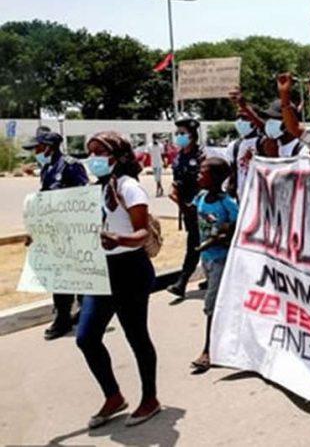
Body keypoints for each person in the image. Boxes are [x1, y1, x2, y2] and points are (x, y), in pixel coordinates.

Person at [78, 131, 160, 428]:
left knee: (136, 336)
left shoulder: (130, 188)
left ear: (117, 155)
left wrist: (120, 239)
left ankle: (150, 399)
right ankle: (113, 396)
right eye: (90, 152)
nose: (93, 159)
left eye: (99, 152)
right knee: (86, 337)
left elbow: (142, 233)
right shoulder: (94, 190)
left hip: (130, 269)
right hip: (102, 271)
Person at [23, 128, 89, 340]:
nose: (35, 152)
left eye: (38, 148)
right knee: (59, 277)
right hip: (53, 231)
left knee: (72, 275)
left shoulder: (70, 165)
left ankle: (69, 316)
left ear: (48, 147)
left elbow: (85, 197)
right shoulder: (47, 168)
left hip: (72, 231)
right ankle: (64, 314)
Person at [189, 158, 238, 373]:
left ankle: (208, 350)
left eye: (203, 172)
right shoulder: (200, 197)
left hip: (221, 258)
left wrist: (223, 236)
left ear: (217, 178)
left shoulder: (227, 203)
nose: (199, 176)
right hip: (207, 258)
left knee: (211, 304)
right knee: (220, 302)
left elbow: (238, 227)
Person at [167, 115, 205, 298]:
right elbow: (177, 181)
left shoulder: (201, 155)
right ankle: (210, 275)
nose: (178, 136)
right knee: (199, 241)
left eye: (182, 133)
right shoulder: (179, 157)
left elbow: (207, 182)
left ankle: (182, 281)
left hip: (202, 207)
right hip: (186, 208)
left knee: (197, 243)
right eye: (177, 133)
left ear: (192, 135)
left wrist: (195, 203)